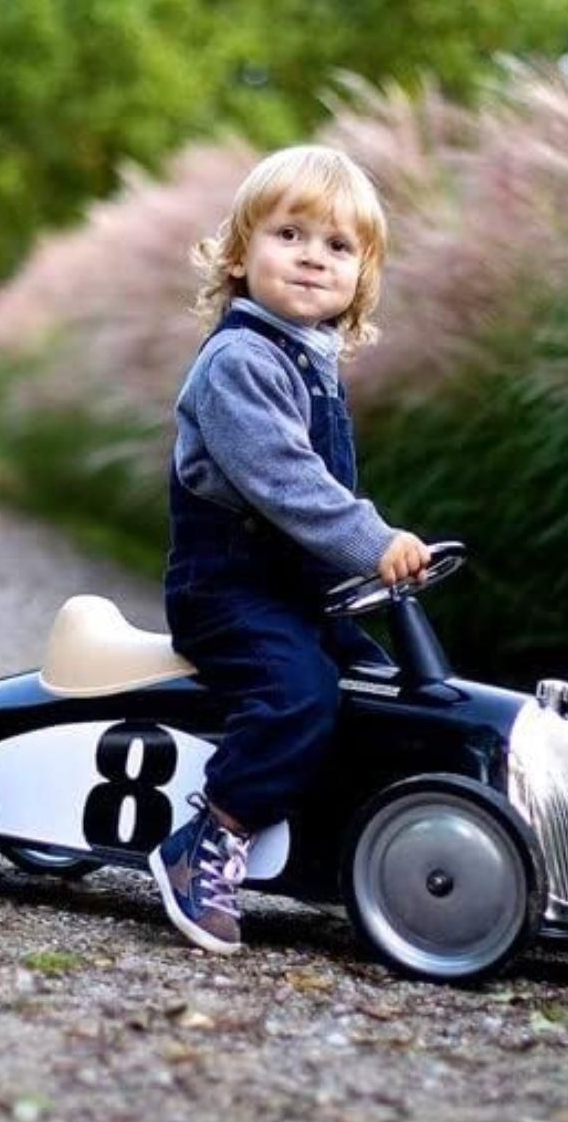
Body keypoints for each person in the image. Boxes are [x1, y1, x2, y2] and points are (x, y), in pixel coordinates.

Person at [149, 145, 431, 954]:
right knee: (298, 692)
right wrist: (373, 541)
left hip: (301, 595)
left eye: (338, 246)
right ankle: (210, 836)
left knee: (380, 684)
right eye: (290, 235)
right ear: (239, 255)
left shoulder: (314, 362)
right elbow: (285, 482)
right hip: (229, 595)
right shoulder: (239, 361)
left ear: (362, 276)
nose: (314, 257)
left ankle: (344, 839)